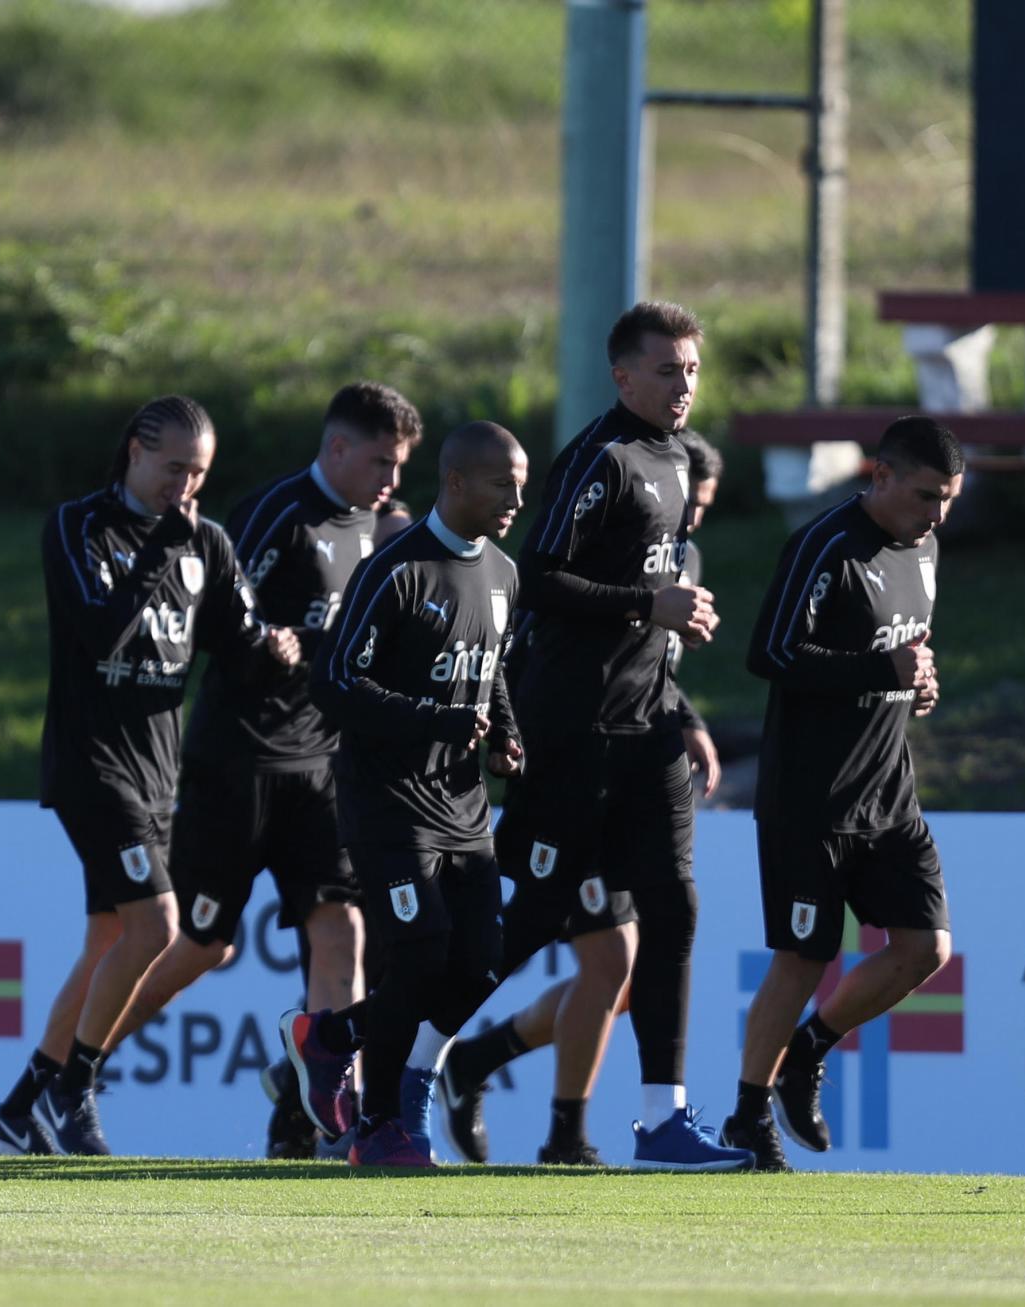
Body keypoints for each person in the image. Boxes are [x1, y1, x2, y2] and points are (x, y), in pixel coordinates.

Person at [396, 302, 749, 1170]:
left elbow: (648, 606)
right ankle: (400, 1068)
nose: (683, 386)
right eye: (666, 371)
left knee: (673, 908)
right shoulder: (602, 458)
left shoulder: (674, 461)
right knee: (522, 927)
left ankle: (662, 1119)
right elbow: (539, 578)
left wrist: (676, 661)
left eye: (692, 370)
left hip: (648, 734)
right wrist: (646, 603)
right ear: (623, 376)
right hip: (573, 734)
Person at [85, 382, 419, 1159]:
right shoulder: (277, 514)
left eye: (400, 465)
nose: (391, 480)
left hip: (321, 771)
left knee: (342, 931)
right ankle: (72, 1068)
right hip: (237, 765)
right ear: (338, 448)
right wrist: (268, 639)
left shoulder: (374, 529)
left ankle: (330, 1118)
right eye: (381, 461)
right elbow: (203, 613)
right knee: (200, 944)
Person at [0, 396, 298, 1156]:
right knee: (159, 924)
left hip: (161, 770)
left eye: (199, 472)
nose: (185, 485)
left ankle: (19, 1108)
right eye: (173, 467)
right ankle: (73, 1089)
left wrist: (274, 650)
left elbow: (237, 644)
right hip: (93, 763)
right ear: (133, 452)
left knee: (106, 944)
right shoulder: (78, 526)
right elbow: (101, 625)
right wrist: (163, 547)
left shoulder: (209, 543)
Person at [283, 421, 528, 1167]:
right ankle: (383, 1124)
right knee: (418, 954)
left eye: (521, 482)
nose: (517, 497)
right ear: (454, 482)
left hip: (462, 807)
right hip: (387, 802)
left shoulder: (504, 573)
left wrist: (504, 734)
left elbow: (492, 670)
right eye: (501, 483)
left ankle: (330, 1038)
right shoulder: (396, 568)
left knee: (484, 960)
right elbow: (334, 683)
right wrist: (435, 716)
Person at [719, 417, 960, 1171]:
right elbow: (772, 652)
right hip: (810, 798)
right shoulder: (826, 544)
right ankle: (746, 1116)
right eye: (925, 495)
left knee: (927, 947)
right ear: (879, 475)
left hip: (889, 792)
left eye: (948, 499)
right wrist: (879, 671)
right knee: (801, 957)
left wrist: (919, 680)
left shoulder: (926, 546)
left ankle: (808, 1052)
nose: (937, 514)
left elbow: (905, 650)